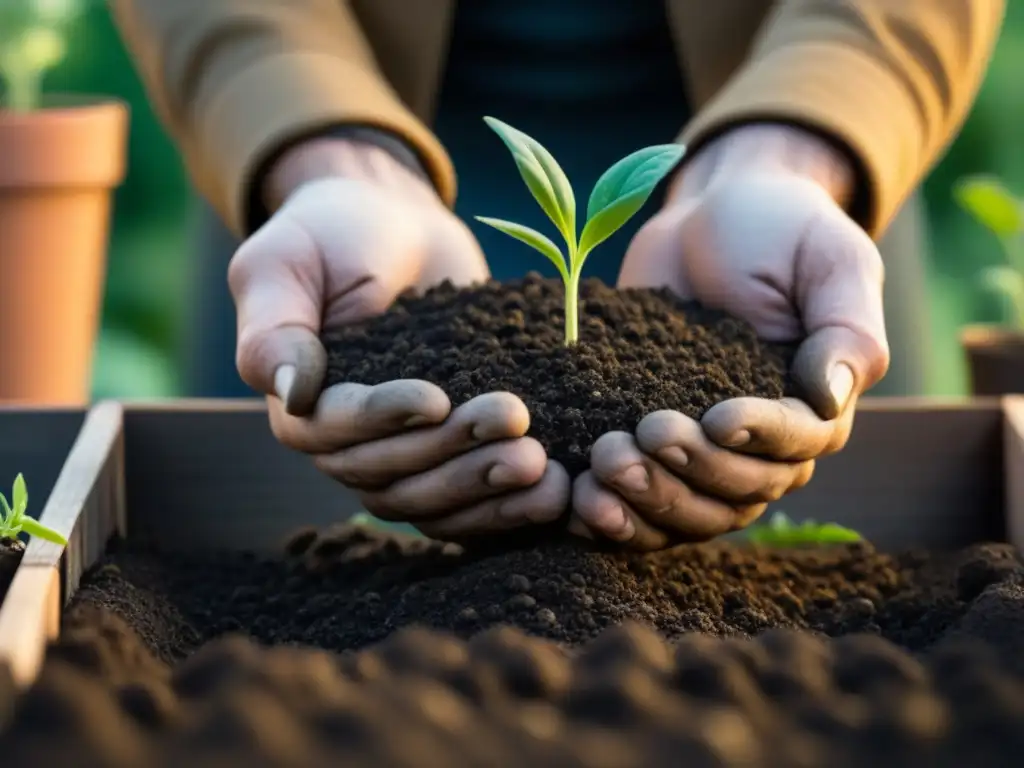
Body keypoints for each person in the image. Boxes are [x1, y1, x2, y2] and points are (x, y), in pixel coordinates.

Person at [111, 0, 1003, 549]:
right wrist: (321, 146)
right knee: (267, 566)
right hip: (341, 160)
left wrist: (796, 142)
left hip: (779, 181)